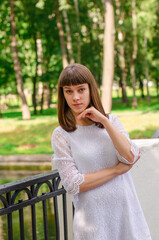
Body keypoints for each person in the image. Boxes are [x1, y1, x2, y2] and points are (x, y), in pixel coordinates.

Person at [51, 63, 152, 240]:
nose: (75, 97)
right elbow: (73, 184)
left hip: (126, 213)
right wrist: (116, 170)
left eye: (81, 89)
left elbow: (130, 156)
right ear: (63, 94)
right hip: (93, 222)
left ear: (91, 89)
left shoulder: (111, 121)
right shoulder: (62, 135)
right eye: (69, 91)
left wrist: (104, 122)